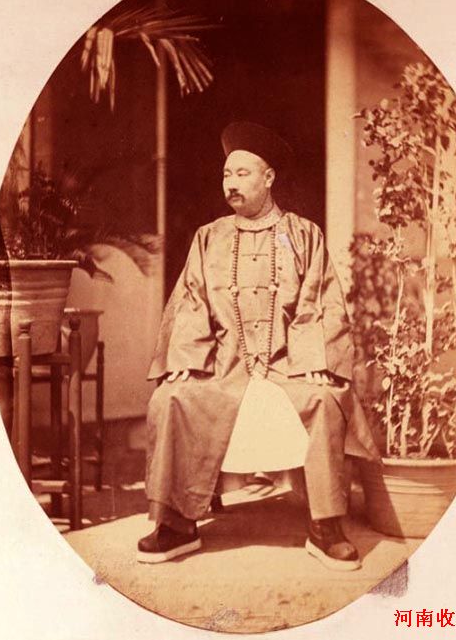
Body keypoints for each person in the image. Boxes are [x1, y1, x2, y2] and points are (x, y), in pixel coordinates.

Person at [137, 121, 380, 570]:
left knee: (324, 398)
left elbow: (319, 301)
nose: (231, 183)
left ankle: (326, 526)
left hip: (288, 363)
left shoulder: (303, 235)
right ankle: (176, 523)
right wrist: (186, 359)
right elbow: (191, 302)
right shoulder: (209, 237)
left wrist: (314, 359)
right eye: (226, 174)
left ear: (268, 178)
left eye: (242, 173)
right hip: (223, 364)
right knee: (172, 396)